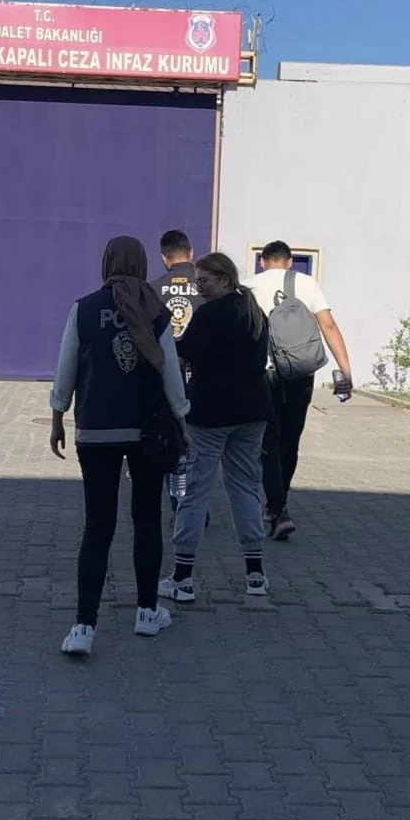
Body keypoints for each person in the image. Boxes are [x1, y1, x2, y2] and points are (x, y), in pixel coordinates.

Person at [49, 235, 190, 655]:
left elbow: (66, 367)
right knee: (146, 519)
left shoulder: (84, 308)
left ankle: (83, 627)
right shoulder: (156, 310)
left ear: (107, 263)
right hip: (147, 431)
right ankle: (147, 613)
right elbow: (170, 373)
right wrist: (182, 422)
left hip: (96, 430)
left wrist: (57, 418)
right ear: (142, 264)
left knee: (98, 526)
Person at [159, 252, 273, 602]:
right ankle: (255, 574)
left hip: (210, 414)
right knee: (246, 488)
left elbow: (184, 354)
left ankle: (182, 578)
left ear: (224, 279)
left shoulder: (209, 315)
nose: (199, 288)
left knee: (194, 491)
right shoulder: (254, 312)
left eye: (205, 281)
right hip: (253, 412)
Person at [247, 241, 353, 540]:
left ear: (262, 261)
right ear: (290, 262)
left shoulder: (248, 287)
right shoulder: (307, 284)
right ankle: (279, 502)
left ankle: (276, 508)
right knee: (291, 438)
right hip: (300, 372)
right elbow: (328, 326)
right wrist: (345, 371)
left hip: (263, 374)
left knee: (268, 438)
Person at [146, 229, 206, 526]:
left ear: (163, 257)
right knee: (202, 445)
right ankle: (197, 504)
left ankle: (180, 503)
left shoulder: (152, 290)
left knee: (174, 444)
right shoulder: (207, 287)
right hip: (202, 380)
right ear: (191, 253)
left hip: (166, 379)